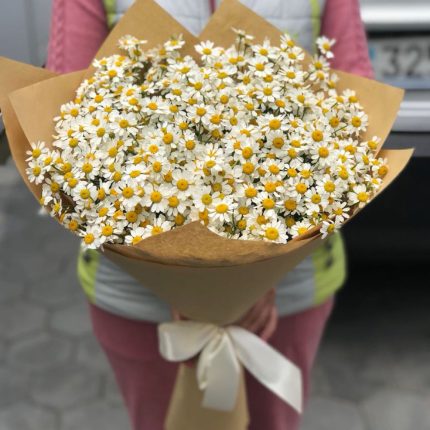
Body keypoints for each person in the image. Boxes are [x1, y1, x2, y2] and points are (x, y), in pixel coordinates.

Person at [46, 1, 373, 429]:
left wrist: (255, 274)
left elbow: (357, 117)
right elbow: (63, 118)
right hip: (137, 297)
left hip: (288, 294)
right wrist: (185, 282)